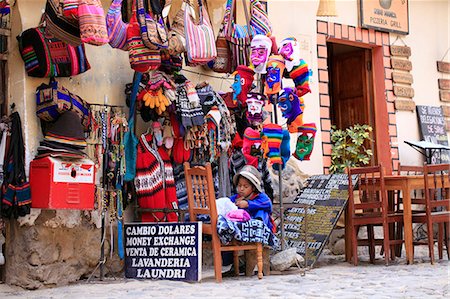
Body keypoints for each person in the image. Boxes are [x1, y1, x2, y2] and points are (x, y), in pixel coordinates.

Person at [230, 165, 273, 231]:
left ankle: (257, 230)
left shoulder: (261, 196)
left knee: (261, 211)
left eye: (245, 186)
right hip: (242, 229)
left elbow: (268, 204)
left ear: (253, 188)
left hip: (261, 230)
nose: (241, 189)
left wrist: (248, 204)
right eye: (239, 185)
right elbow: (227, 202)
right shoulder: (236, 198)